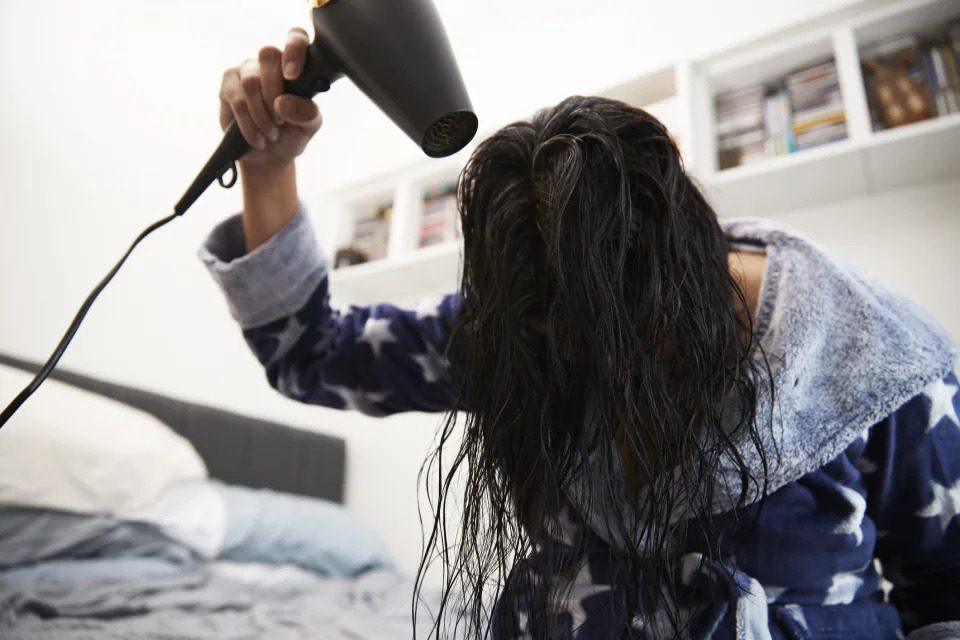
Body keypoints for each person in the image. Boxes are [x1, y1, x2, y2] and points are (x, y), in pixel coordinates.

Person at [200, 28, 960, 640]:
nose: (599, 380)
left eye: (629, 351)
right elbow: (311, 353)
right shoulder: (517, 330)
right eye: (560, 350)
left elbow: (946, 598)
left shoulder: (885, 365)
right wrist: (268, 170)